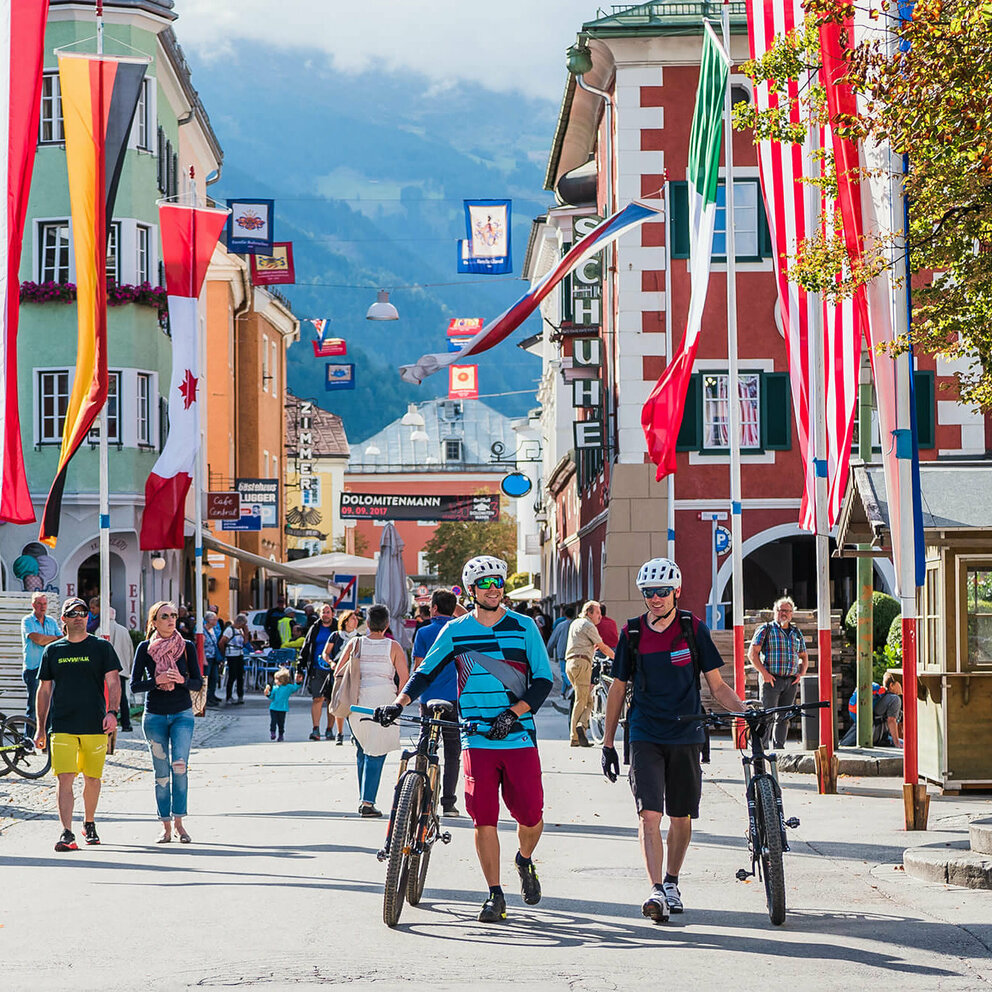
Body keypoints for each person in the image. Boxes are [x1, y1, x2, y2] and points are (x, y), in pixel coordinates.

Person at [376, 555, 553, 924]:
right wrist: (398, 702)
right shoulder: (456, 630)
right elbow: (425, 672)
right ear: (471, 590)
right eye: (485, 584)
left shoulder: (523, 627)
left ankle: (523, 860)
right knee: (483, 819)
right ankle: (494, 894)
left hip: (518, 736)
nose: (494, 589)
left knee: (531, 816)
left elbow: (543, 681)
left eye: (498, 583)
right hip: (476, 737)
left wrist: (513, 713)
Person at [601, 557, 746, 923]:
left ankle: (671, 881)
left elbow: (717, 685)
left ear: (676, 591)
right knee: (650, 814)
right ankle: (654, 890)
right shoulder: (632, 633)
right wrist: (607, 743)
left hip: (686, 733)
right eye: (649, 592)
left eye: (663, 591)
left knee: (680, 816)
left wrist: (744, 712)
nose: (656, 599)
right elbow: (618, 689)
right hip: (646, 732)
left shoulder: (691, 628)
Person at [34, 597, 122, 851]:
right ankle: (66, 832)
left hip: (95, 723)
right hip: (61, 724)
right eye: (73, 613)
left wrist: (112, 712)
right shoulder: (54, 650)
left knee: (92, 778)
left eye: (83, 612)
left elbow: (113, 682)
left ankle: (90, 822)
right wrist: (40, 727)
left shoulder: (101, 648)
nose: (79, 616)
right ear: (64, 619)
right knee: (65, 779)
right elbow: (44, 689)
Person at [130, 601, 203, 843]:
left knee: (180, 767)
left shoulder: (187, 646)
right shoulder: (144, 648)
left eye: (173, 615)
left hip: (182, 714)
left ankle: (180, 823)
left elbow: (197, 683)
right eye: (165, 616)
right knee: (161, 774)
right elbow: (134, 685)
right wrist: (156, 680)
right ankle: (165, 826)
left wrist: (181, 679)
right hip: (154, 717)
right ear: (154, 622)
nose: (171, 620)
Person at [335, 604, 409, 817]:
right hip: (385, 698)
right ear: (387, 625)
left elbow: (338, 671)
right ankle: (367, 802)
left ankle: (364, 798)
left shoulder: (355, 643)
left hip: (356, 700)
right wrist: (398, 701)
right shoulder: (393, 647)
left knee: (362, 748)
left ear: (366, 624)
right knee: (376, 751)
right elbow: (404, 678)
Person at [411, 589, 461, 816]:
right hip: (453, 698)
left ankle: (418, 795)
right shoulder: (460, 630)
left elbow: (418, 667)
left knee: (425, 742)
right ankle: (448, 803)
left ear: (433, 608)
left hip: (427, 697)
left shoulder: (423, 632)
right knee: (453, 750)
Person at [747, 596, 809, 749]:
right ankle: (761, 750)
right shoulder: (766, 629)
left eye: (787, 611)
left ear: (792, 613)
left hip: (790, 681)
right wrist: (764, 674)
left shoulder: (796, 632)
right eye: (781, 610)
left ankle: (779, 750)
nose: (784, 613)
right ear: (775, 612)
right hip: (771, 680)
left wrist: (801, 674)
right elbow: (752, 654)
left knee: (784, 717)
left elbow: (804, 656)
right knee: (767, 716)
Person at [565, 601, 616, 748]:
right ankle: (575, 737)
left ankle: (581, 725)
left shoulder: (576, 623)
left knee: (588, 700)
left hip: (572, 663)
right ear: (589, 612)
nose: (600, 616)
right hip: (582, 663)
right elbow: (603, 647)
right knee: (582, 700)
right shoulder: (588, 625)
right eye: (598, 613)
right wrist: (617, 658)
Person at [297, 603, 339, 741]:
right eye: (323, 612)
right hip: (316, 668)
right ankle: (315, 729)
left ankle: (329, 729)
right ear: (319, 614)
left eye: (328, 612)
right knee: (317, 698)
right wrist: (300, 668)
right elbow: (306, 648)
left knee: (331, 700)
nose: (325, 615)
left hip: (334, 669)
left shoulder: (338, 628)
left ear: (332, 613)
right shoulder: (315, 628)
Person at [20, 591, 60, 724]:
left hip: (49, 669)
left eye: (44, 604)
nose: (42, 607)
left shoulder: (51, 621)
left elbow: (61, 640)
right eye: (39, 603)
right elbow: (38, 640)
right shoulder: (27, 620)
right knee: (33, 707)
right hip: (33, 668)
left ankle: (47, 742)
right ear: (33, 605)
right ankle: (29, 741)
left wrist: (46, 639)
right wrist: (53, 639)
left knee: (50, 707)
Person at [321, 609, 360, 743]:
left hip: (354, 672)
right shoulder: (336, 636)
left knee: (354, 701)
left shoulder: (359, 637)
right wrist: (331, 663)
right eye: (353, 618)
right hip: (338, 671)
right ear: (345, 621)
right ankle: (339, 732)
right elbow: (325, 653)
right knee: (339, 701)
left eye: (356, 619)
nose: (356, 621)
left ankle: (354, 733)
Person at [840, 673, 903, 747]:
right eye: (900, 685)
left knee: (844, 745)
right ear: (891, 685)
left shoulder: (879, 696)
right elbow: (891, 720)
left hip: (864, 729)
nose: (902, 688)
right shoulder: (894, 699)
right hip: (874, 734)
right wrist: (897, 743)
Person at [107, 608, 135, 732]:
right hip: (123, 668)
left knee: (108, 695)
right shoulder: (124, 630)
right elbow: (130, 649)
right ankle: (126, 723)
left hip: (108, 670)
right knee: (122, 696)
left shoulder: (102, 630)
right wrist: (129, 666)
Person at [264, 667, 303, 740]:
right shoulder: (275, 688)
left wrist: (298, 682)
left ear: (282, 680)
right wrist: (267, 693)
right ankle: (273, 732)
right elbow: (271, 696)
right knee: (273, 721)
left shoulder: (288, 687)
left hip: (282, 708)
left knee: (281, 723)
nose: (275, 681)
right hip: (274, 708)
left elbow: (295, 687)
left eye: (276, 679)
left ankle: (281, 734)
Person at [545, 605, 575, 699]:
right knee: (569, 672)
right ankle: (563, 693)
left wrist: (547, 652)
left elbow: (553, 639)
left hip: (563, 652)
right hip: (574, 652)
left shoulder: (561, 625)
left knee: (564, 673)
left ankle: (571, 686)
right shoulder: (576, 624)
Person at [218, 614, 249, 704]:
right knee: (232, 675)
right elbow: (221, 642)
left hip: (239, 654)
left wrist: (246, 633)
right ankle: (229, 696)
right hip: (232, 655)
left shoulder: (240, 630)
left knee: (240, 676)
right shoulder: (229, 630)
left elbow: (245, 642)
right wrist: (224, 653)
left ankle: (240, 695)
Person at [203, 611, 223, 707]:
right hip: (207, 657)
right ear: (209, 620)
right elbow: (201, 646)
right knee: (207, 677)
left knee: (214, 677)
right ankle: (207, 698)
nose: (216, 621)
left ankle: (212, 695)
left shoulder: (214, 630)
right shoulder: (203, 631)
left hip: (214, 657)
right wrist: (203, 659)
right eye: (214, 619)